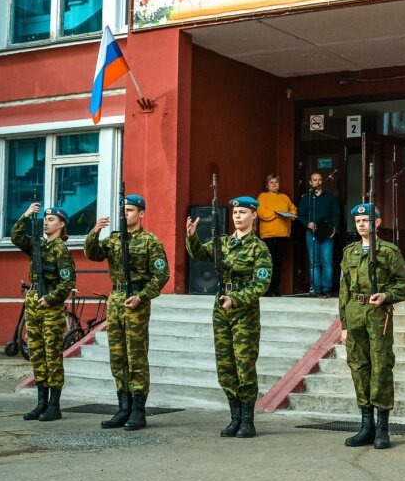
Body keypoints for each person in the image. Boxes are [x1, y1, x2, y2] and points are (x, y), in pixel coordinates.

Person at [185, 196, 272, 439]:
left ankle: (247, 419)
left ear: (254, 216)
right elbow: (200, 255)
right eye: (235, 212)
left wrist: (237, 299)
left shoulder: (258, 248)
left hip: (243, 312)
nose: (237, 216)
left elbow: (261, 284)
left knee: (244, 365)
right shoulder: (222, 242)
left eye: (243, 212)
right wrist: (191, 236)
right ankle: (234, 417)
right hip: (221, 309)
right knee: (225, 366)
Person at [85, 194, 169, 431]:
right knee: (118, 356)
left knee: (136, 358)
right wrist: (95, 232)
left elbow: (161, 274)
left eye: (130, 210)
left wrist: (142, 296)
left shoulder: (150, 241)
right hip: (116, 300)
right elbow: (93, 254)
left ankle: (138, 411)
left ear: (141, 213)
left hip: (136, 300)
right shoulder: (113, 239)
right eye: (123, 210)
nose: (125, 214)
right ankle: (123, 408)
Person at [339, 203, 405, 450]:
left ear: (377, 223)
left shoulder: (388, 251)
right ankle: (366, 426)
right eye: (358, 221)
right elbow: (344, 291)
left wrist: (386, 295)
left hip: (377, 314)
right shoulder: (349, 252)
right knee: (359, 368)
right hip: (355, 313)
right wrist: (344, 325)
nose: (362, 225)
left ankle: (382, 428)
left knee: (381, 367)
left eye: (367, 220)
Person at [12, 204, 76, 422]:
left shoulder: (61, 250)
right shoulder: (37, 245)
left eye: (51, 219)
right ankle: (40, 403)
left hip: (50, 306)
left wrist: (50, 298)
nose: (46, 222)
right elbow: (16, 236)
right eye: (45, 219)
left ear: (61, 224)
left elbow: (68, 281)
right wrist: (26, 215)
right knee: (36, 352)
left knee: (52, 355)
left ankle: (54, 405)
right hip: (33, 302)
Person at [297, 172, 341, 297]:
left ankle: (327, 289)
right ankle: (316, 289)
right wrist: (307, 223)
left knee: (327, 261)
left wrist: (334, 228)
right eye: (314, 180)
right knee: (314, 262)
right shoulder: (306, 198)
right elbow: (300, 215)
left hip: (327, 233)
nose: (317, 182)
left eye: (320, 180)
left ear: (322, 181)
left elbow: (336, 214)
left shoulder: (330, 198)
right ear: (310, 182)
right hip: (311, 233)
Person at [256, 174, 298, 296]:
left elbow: (293, 209)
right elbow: (262, 212)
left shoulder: (284, 197)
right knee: (268, 262)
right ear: (267, 185)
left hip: (283, 234)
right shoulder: (262, 197)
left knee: (279, 262)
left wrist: (290, 214)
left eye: (276, 182)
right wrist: (278, 214)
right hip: (269, 235)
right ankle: (267, 289)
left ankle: (275, 288)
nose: (274, 184)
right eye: (271, 182)